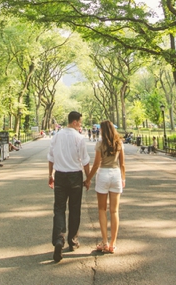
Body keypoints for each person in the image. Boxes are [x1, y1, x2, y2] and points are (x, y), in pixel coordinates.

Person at [47, 111, 91, 262]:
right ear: (74, 122)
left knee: (59, 209)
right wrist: (88, 178)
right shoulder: (79, 138)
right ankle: (73, 241)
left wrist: (50, 174)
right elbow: (85, 161)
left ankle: (59, 239)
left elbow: (51, 157)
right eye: (80, 122)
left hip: (60, 175)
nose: (81, 125)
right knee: (74, 209)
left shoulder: (57, 136)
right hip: (75, 177)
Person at [86, 120, 126, 254]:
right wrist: (123, 178)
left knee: (102, 210)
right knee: (114, 211)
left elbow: (96, 164)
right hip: (115, 175)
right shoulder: (119, 143)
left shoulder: (100, 144)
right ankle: (113, 244)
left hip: (103, 174)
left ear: (103, 130)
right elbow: (122, 164)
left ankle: (104, 242)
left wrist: (88, 179)